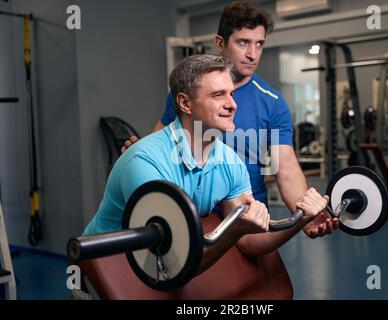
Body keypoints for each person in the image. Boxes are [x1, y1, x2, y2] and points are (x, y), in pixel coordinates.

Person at [84, 54, 328, 275]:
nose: (232, 104)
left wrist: (300, 220)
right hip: (103, 267)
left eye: (231, 93)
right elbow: (172, 264)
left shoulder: (230, 163)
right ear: (185, 104)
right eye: (218, 95)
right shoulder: (145, 164)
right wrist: (235, 229)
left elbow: (248, 242)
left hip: (154, 269)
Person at [122, 1, 339, 238]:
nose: (252, 54)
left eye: (259, 44)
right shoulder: (191, 93)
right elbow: (162, 138)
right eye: (243, 42)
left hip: (246, 213)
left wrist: (305, 213)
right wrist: (139, 154)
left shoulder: (272, 102)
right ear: (220, 43)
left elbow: (284, 167)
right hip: (195, 212)